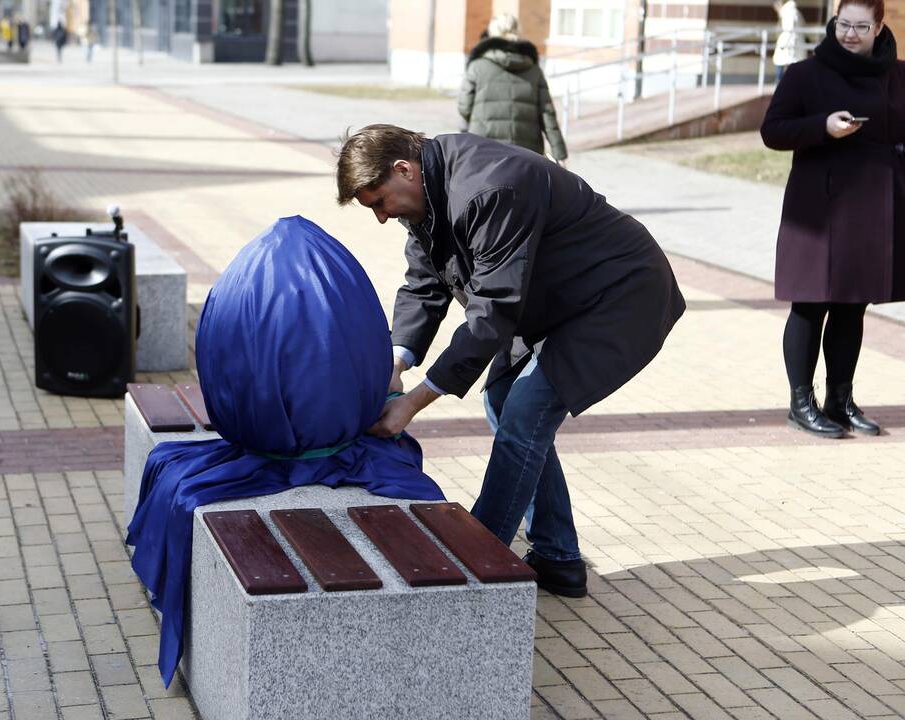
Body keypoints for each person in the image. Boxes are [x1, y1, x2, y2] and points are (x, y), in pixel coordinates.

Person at [337, 125, 685, 598]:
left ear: (404, 169)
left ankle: (475, 567)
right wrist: (395, 365)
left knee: (524, 414)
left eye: (379, 202)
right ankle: (557, 558)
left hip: (617, 296)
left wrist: (413, 403)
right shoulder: (427, 193)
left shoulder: (491, 187)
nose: (380, 217)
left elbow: (491, 312)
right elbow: (423, 284)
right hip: (555, 299)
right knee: (504, 399)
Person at [761, 0, 904, 439]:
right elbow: (773, 131)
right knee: (810, 302)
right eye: (844, 24)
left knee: (851, 305)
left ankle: (839, 401)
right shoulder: (806, 73)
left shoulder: (898, 74)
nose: (851, 34)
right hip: (818, 206)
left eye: (862, 26)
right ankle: (800, 403)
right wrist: (822, 126)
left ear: (879, 27)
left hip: (873, 206)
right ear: (834, 22)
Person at [457, 13, 567, 165]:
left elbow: (464, 108)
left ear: (491, 32)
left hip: (483, 149)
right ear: (517, 30)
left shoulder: (477, 67)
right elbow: (547, 114)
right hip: (527, 153)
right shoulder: (534, 70)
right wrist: (559, 153)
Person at [773, 0, 806, 81]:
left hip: (789, 47)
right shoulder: (796, 12)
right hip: (795, 47)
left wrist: (782, 46)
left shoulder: (788, 13)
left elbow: (788, 31)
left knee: (782, 71)